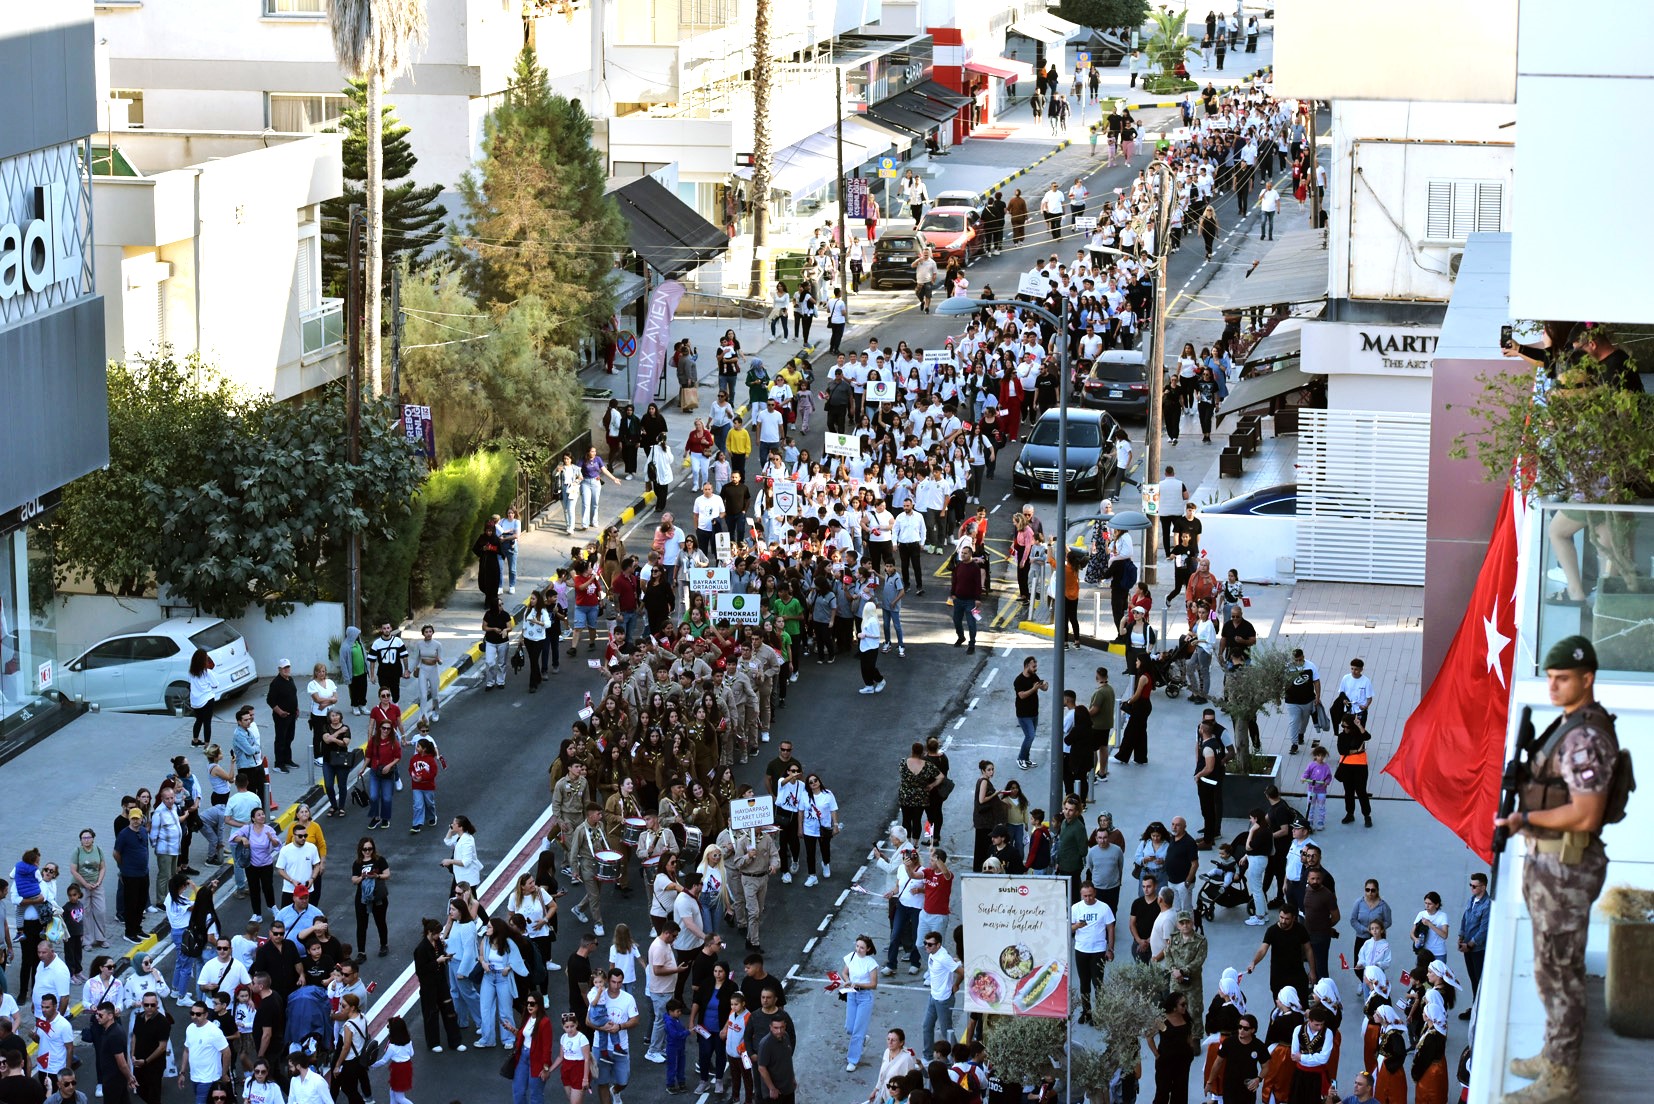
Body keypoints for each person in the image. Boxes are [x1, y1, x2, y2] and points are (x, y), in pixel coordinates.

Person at [1490, 635, 1621, 1104]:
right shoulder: (1571, 725)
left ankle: (1562, 1077)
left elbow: (1586, 813)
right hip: (1552, 868)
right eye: (1549, 677)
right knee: (1549, 968)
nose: (1553, 686)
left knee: (1561, 972)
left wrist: (1527, 819)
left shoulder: (1584, 735)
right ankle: (1554, 1053)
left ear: (1588, 679)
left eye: (1563, 678)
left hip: (1566, 870)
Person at [1070, 882, 1115, 1026]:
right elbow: (1068, 928)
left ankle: (1100, 1013)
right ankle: (1086, 1012)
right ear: (1081, 895)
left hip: (1098, 951)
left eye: (1090, 895)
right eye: (1085, 896)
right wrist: (1077, 926)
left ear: (1094, 893)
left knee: (1098, 983)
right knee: (1084, 983)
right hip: (1081, 949)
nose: (1088, 898)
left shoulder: (1104, 907)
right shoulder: (1075, 908)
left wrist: (1110, 949)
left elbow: (1110, 929)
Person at [919, 930, 961, 1053]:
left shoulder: (943, 958)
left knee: (946, 1031)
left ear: (938, 945)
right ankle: (928, 1055)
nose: (926, 946)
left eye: (930, 944)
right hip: (934, 996)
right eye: (925, 943)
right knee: (927, 1026)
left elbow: (962, 972)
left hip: (944, 999)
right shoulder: (934, 954)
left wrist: (956, 985)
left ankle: (957, 1056)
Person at [1012, 656, 1047, 770]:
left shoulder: (1034, 676)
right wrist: (1033, 689)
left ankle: (1026, 759)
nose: (1035, 668)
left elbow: (1044, 688)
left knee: (1030, 737)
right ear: (1027, 665)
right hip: (1023, 714)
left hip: (1034, 713)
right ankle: (1021, 758)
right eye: (1034, 666)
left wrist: (1044, 685)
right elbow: (1021, 695)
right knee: (1030, 736)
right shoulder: (1019, 680)